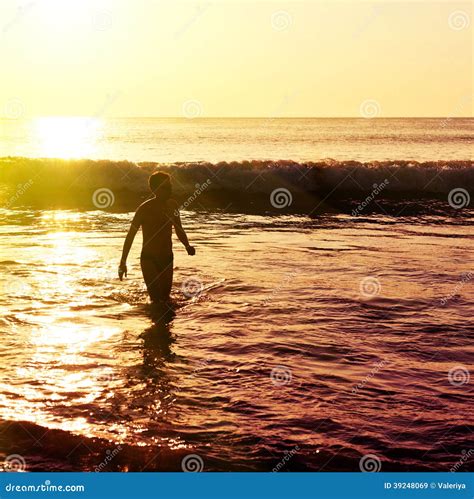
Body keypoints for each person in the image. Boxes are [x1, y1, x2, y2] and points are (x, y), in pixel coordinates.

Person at [118, 172, 195, 302]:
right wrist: (123, 262)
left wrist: (187, 245)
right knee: (156, 300)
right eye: (165, 187)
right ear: (155, 189)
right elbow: (130, 236)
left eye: (169, 186)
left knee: (165, 299)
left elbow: (179, 229)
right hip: (149, 259)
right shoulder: (144, 209)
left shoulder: (173, 205)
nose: (169, 189)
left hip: (167, 258)